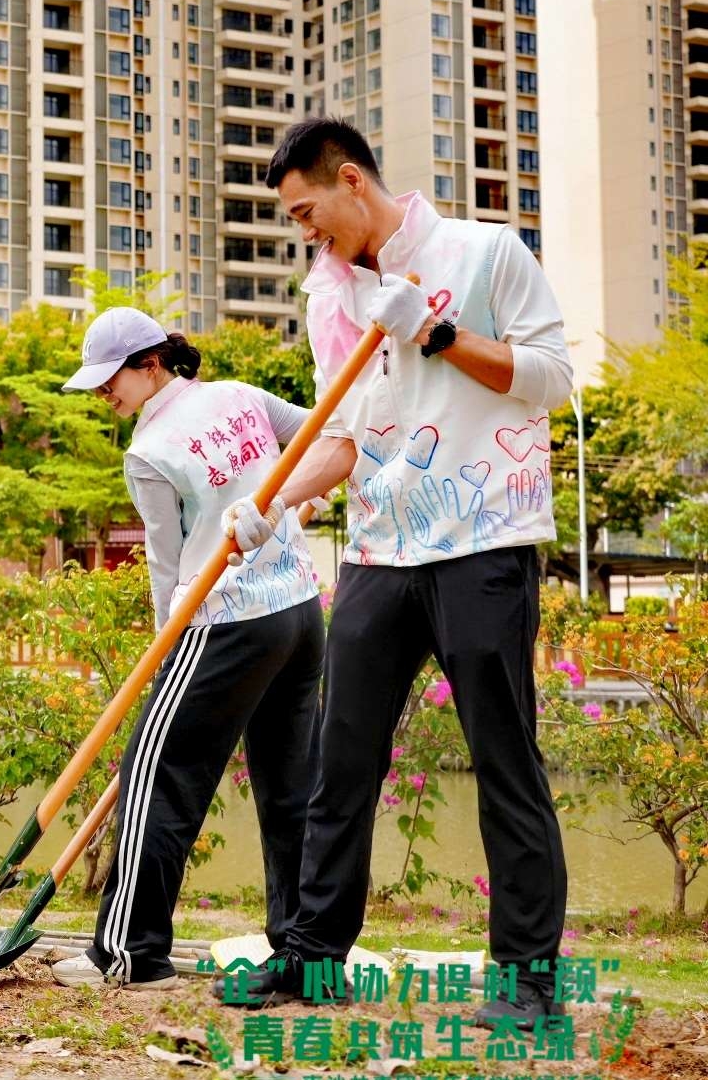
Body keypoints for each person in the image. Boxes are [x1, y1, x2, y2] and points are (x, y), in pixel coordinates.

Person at [221, 117, 572, 1029]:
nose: (304, 232)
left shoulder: (486, 253)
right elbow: (342, 437)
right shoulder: (328, 297)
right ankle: (312, 959)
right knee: (339, 762)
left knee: (504, 762)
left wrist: (440, 333)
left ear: (350, 180)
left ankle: (528, 982)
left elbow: (550, 379)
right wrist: (271, 501)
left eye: (306, 211)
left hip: (484, 541)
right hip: (380, 549)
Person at [48, 308, 325, 990]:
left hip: (222, 621)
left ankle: (130, 954)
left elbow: (165, 567)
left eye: (109, 379)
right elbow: (328, 433)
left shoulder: (148, 450)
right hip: (297, 612)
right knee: (290, 787)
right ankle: (303, 950)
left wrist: (164, 648)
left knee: (154, 774)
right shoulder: (239, 397)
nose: (101, 393)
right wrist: (297, 503)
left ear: (150, 364)